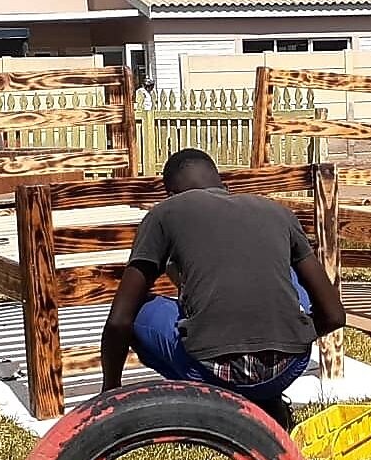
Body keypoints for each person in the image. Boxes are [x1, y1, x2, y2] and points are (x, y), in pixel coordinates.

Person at [99, 148, 346, 430]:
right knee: (285, 275)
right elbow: (334, 315)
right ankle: (266, 399)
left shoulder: (164, 213)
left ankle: (215, 402)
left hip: (212, 374)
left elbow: (119, 321)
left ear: (170, 194)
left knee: (138, 311)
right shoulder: (278, 212)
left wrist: (109, 392)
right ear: (224, 186)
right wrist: (293, 335)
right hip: (287, 367)